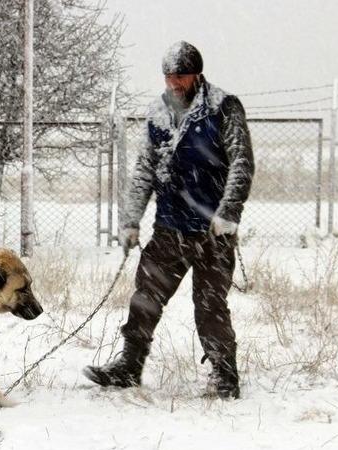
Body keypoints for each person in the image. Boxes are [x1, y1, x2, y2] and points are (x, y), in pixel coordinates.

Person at [83, 41, 254, 399]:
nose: (174, 84)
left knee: (210, 308)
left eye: (181, 77)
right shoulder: (159, 114)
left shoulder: (224, 108)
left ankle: (225, 376)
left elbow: (242, 163)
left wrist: (227, 213)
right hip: (170, 229)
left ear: (197, 75)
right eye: (169, 77)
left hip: (213, 233)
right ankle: (130, 366)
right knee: (145, 299)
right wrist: (131, 220)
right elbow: (145, 169)